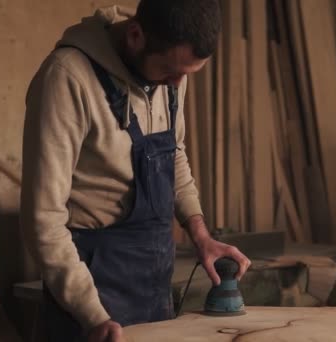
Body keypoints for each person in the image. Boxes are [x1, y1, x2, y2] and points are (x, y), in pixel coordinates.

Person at [20, 1, 251, 341]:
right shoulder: (67, 78)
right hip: (91, 291)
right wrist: (92, 314)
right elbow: (43, 220)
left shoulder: (173, 75)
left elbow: (174, 155)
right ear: (135, 36)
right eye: (171, 71)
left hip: (153, 283)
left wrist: (200, 235)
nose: (177, 84)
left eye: (187, 73)